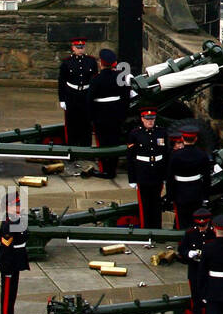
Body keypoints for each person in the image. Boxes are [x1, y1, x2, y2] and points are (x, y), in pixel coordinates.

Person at [88, 48, 130, 179]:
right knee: (114, 141)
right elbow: (125, 98)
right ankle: (112, 168)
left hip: (101, 117)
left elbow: (89, 100)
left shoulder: (96, 79)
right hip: (116, 115)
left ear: (101, 63)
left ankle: (106, 170)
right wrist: (122, 115)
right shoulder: (120, 78)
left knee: (103, 143)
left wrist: (92, 117)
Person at [126, 108, 170, 229]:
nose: (150, 122)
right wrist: (132, 179)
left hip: (157, 172)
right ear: (142, 119)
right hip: (142, 172)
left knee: (156, 203)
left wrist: (165, 176)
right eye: (147, 119)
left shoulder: (161, 132)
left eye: (152, 119)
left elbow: (166, 155)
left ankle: (157, 229)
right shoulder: (135, 133)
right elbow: (130, 158)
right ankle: (146, 230)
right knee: (144, 205)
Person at [167, 127, 213, 230]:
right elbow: (206, 178)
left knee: (182, 220)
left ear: (182, 138)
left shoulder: (175, 155)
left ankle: (183, 242)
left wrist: (170, 197)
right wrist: (205, 196)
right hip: (196, 190)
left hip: (180, 191)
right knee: (195, 220)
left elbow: (170, 178)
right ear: (195, 139)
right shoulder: (202, 155)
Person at [0, 193, 29, 314]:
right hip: (9, 263)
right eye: (15, 205)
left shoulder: (17, 220)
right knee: (7, 297)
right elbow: (8, 246)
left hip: (16, 262)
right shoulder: (8, 224)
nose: (18, 207)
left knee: (12, 295)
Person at [177, 206, 213, 314]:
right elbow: (182, 249)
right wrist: (188, 253)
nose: (202, 228)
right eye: (200, 226)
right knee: (196, 298)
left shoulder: (213, 233)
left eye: (204, 226)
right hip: (195, 271)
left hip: (209, 271)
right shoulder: (190, 233)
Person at [58, 38, 97, 147]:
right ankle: (72, 148)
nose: (80, 49)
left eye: (82, 47)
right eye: (78, 47)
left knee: (86, 124)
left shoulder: (91, 61)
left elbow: (94, 80)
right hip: (72, 95)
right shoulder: (67, 62)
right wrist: (62, 99)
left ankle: (86, 148)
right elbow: (62, 82)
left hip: (86, 94)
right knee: (72, 124)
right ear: (73, 48)